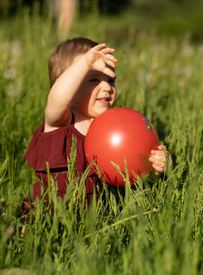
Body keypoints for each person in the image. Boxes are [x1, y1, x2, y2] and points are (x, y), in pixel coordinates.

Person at [22, 37, 172, 216]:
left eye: (110, 81)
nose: (107, 87)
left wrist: (158, 165)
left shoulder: (118, 128)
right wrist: (86, 63)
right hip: (47, 217)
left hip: (92, 223)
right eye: (93, 80)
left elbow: (133, 169)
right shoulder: (61, 122)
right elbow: (58, 97)